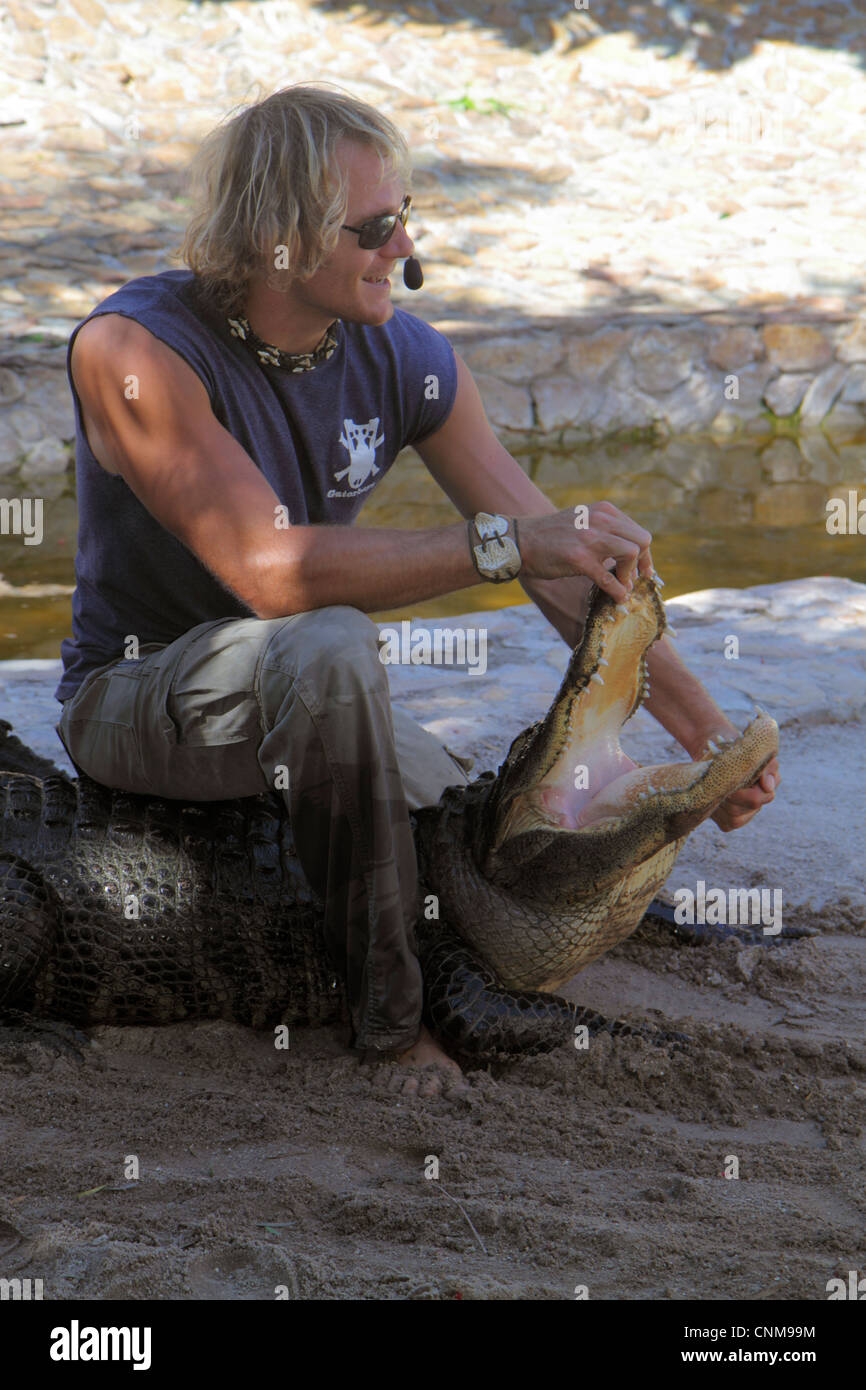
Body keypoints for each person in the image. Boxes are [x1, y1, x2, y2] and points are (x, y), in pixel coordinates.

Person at [54, 84, 779, 1096]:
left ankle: (599, 925)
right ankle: (389, 1026)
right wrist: (507, 543)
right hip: (140, 696)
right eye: (373, 226)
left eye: (405, 217)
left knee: (482, 833)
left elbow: (568, 577)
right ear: (277, 233)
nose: (403, 245)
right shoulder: (131, 351)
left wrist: (706, 740)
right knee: (331, 640)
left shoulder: (405, 356)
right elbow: (271, 574)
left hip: (310, 687)